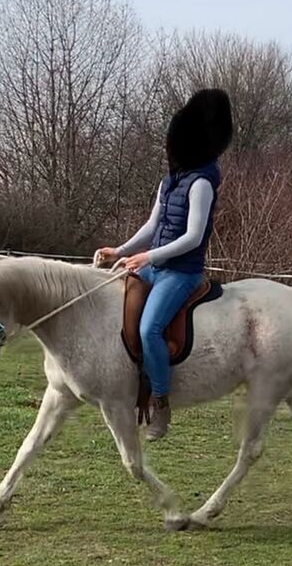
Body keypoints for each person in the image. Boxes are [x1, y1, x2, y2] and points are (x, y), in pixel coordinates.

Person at [99, 89, 233, 440]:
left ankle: (160, 403)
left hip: (181, 272)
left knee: (150, 330)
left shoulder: (202, 183)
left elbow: (193, 236)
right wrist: (122, 250)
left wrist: (150, 256)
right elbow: (153, 226)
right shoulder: (169, 181)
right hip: (155, 265)